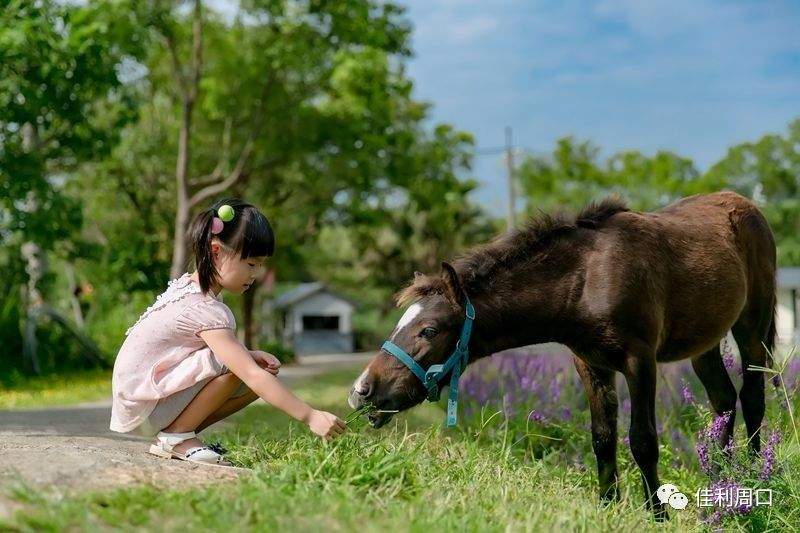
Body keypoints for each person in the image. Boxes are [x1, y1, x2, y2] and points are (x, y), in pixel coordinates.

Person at [110, 199, 345, 466]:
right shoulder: (207, 308)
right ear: (216, 251)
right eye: (251, 264)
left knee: (252, 367)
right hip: (145, 405)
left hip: (138, 400)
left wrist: (249, 355)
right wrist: (311, 416)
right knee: (244, 369)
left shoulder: (189, 289)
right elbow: (247, 373)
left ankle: (180, 433)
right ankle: (176, 437)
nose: (256, 273)